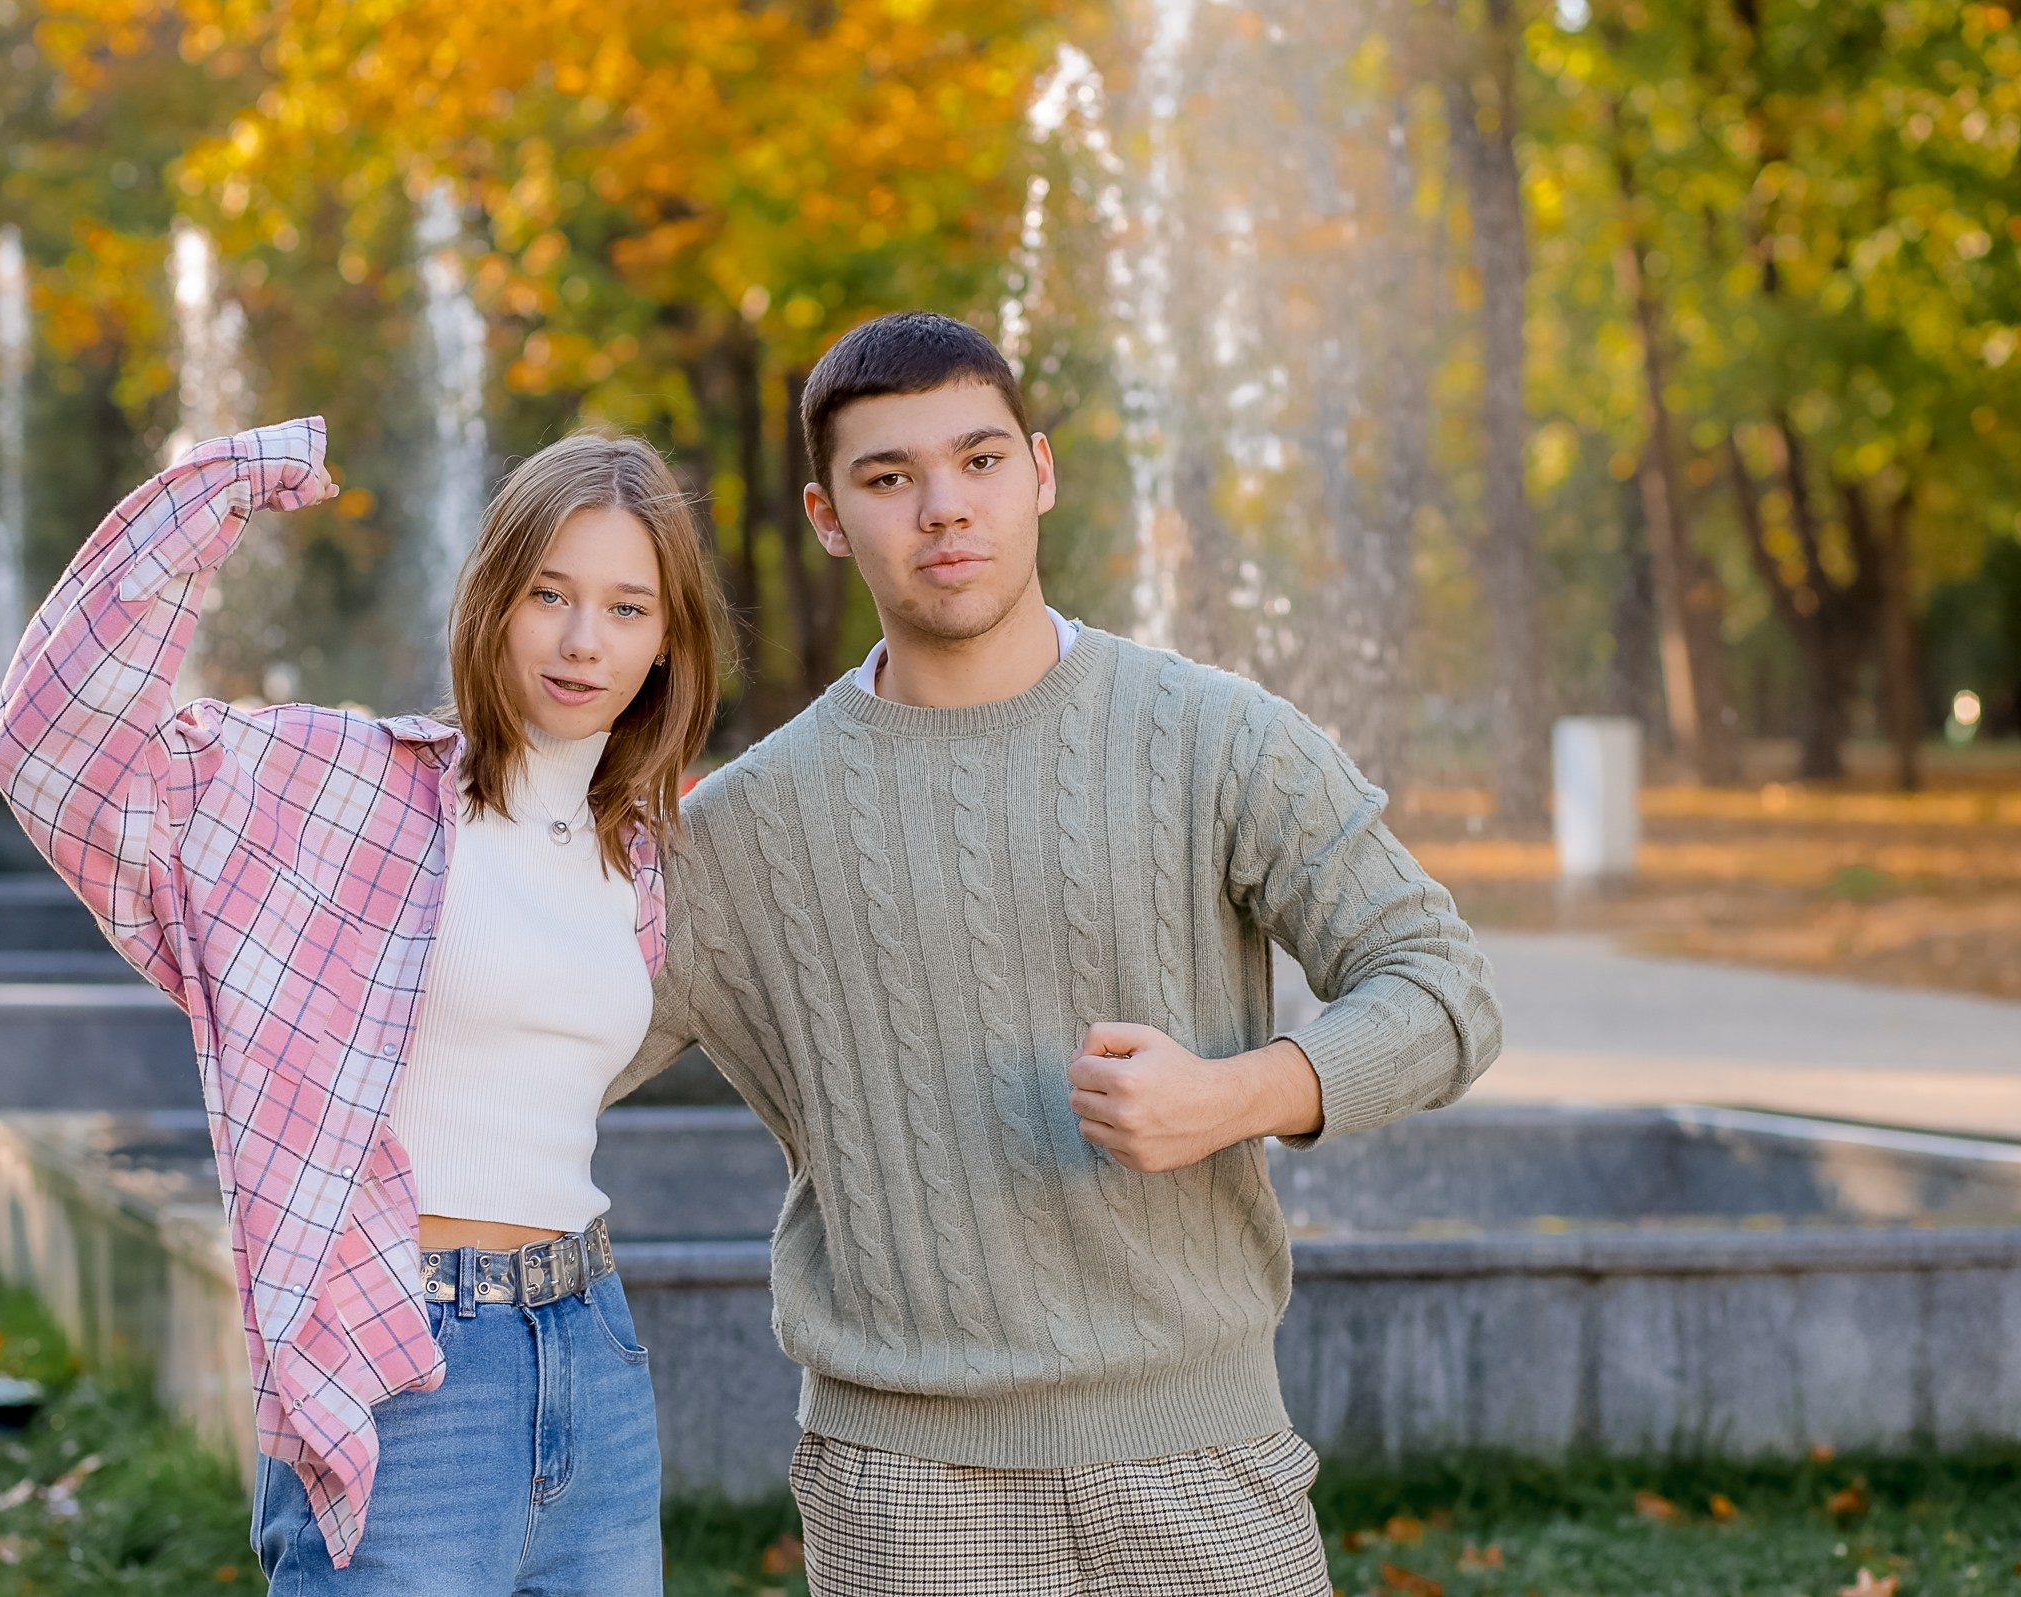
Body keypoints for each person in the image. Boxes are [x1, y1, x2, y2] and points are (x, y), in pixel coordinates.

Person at [611, 313, 1504, 1595]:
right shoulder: (739, 832)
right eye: (888, 478)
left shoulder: (1216, 737)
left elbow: (1441, 987)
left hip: (1204, 1461)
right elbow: (534, 1056)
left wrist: (1232, 1094)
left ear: (1040, 471)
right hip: (904, 1499)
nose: (943, 510)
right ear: (825, 514)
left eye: (978, 461)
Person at [0, 418, 724, 1595]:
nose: (586, 640)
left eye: (629, 608)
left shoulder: (636, 854)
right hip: (407, 1360)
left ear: (668, 643)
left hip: (593, 1344)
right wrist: (215, 492)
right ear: (493, 599)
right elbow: (50, 744)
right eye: (551, 593)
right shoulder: (351, 789)